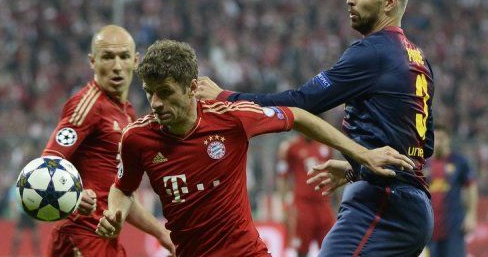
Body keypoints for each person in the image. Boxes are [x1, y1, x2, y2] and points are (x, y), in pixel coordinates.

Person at [197, 0, 435, 256]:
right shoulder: (419, 60)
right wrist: (355, 167)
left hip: (382, 203)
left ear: (389, 3)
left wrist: (226, 97)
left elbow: (302, 103)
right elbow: (423, 146)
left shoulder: (373, 51)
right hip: (413, 207)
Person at [95, 39, 414, 257]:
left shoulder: (232, 118)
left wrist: (360, 152)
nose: (156, 103)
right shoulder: (136, 138)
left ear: (192, 88)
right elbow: (123, 188)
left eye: (165, 92)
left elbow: (299, 116)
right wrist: (115, 214)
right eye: (150, 93)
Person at [41, 25, 175, 256]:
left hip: (103, 237)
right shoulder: (87, 104)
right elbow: (49, 161)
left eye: (123, 57)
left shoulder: (127, 113)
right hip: (80, 232)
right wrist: (72, 192)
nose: (116, 67)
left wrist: (161, 233)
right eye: (107, 57)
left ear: (135, 61)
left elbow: (122, 194)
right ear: (93, 61)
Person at [276, 134, 335, 256]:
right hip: (303, 206)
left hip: (324, 205)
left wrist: (336, 203)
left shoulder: (326, 147)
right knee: (302, 250)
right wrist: (283, 204)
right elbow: (283, 176)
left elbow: (333, 175)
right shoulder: (292, 147)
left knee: (331, 247)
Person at [426, 125, 478, 257]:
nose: (438, 142)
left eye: (442, 138)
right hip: (429, 228)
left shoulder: (459, 161)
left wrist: (471, 215)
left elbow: (471, 186)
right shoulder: (423, 164)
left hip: (453, 227)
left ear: (448, 139)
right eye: (435, 138)